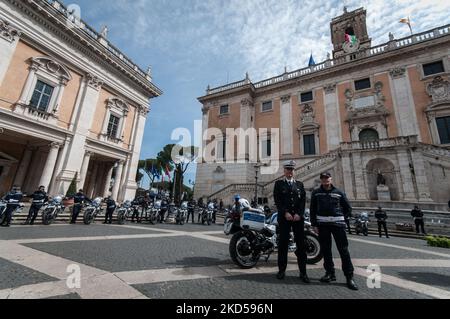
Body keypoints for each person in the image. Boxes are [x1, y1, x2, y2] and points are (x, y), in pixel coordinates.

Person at [310, 172, 358, 291]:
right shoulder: (316, 193)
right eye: (323, 178)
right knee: (326, 250)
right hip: (322, 224)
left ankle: (349, 277)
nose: (325, 180)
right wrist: (314, 224)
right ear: (321, 180)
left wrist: (342, 218)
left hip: (338, 224)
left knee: (344, 250)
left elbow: (348, 208)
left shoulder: (339, 192)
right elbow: (312, 210)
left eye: (327, 178)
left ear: (331, 179)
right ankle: (330, 273)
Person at [273, 160, 309, 283]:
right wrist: (285, 213)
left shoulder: (300, 184)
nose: (290, 172)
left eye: (291, 170)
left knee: (301, 245)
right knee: (283, 245)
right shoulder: (279, 184)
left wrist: (299, 213)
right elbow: (278, 201)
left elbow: (303, 201)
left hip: (298, 219)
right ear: (284, 171)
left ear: (294, 171)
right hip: (284, 218)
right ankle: (281, 270)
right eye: (288, 170)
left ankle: (303, 272)